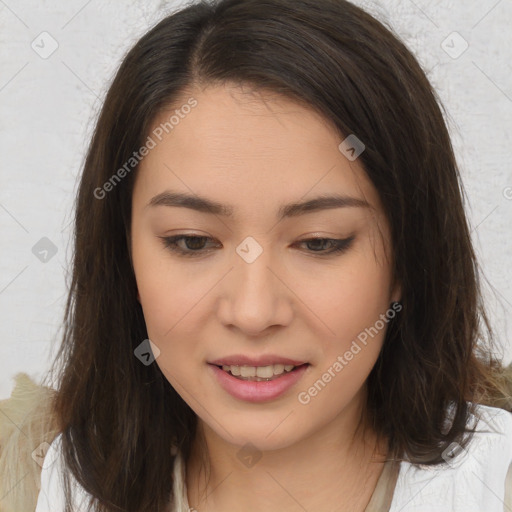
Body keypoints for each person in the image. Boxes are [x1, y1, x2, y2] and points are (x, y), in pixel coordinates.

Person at [28, 0, 512, 511]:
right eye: (192, 241)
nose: (254, 313)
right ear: (123, 256)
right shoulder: (76, 483)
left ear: (410, 259)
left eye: (319, 242)